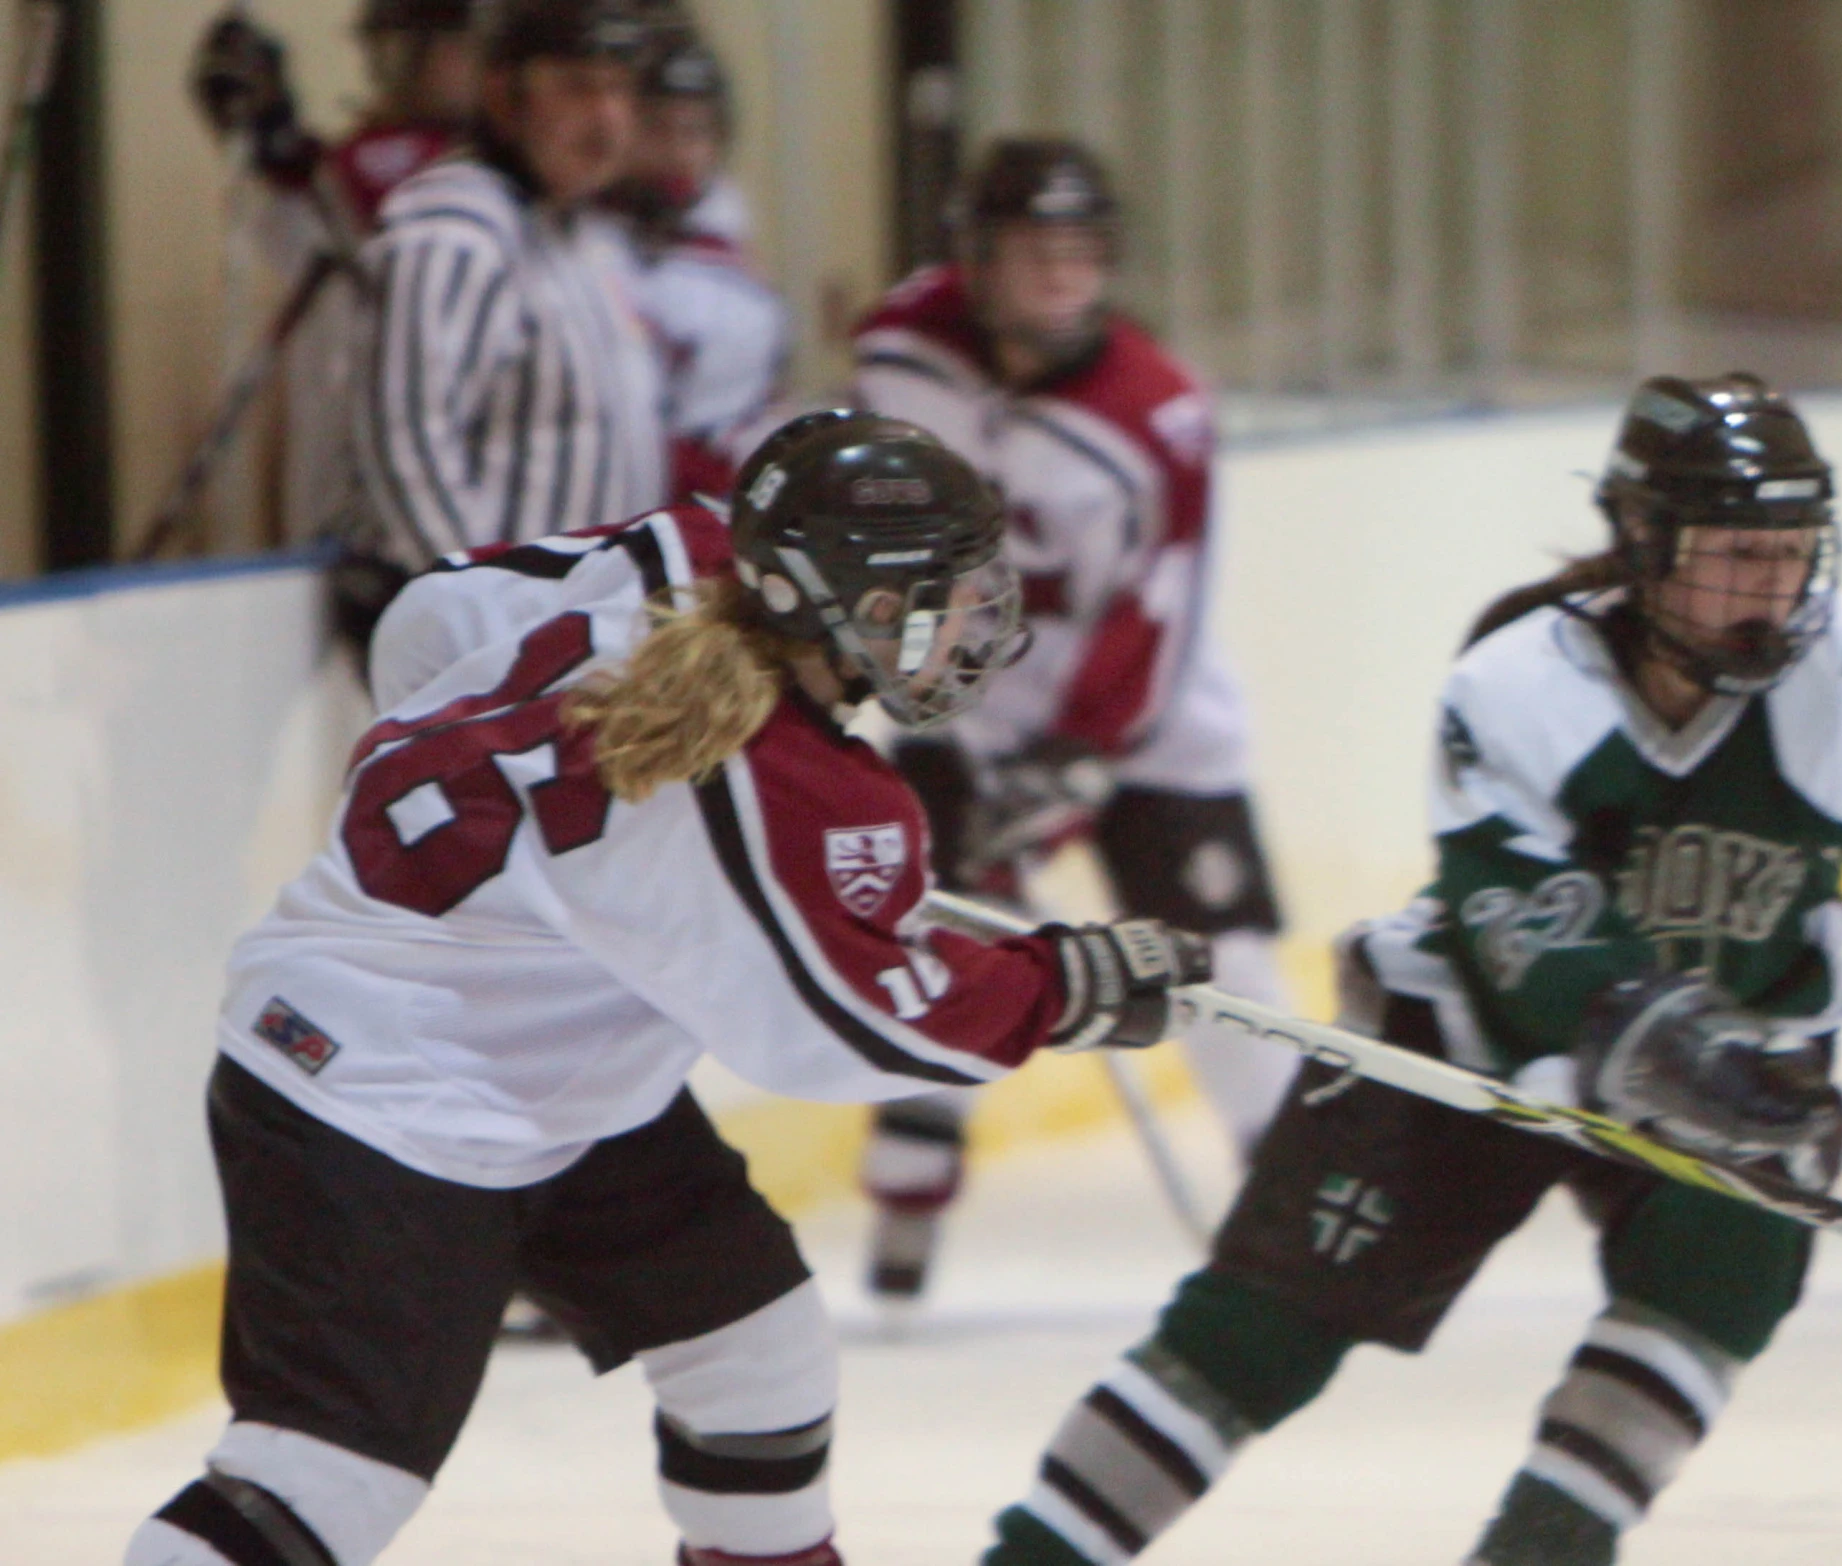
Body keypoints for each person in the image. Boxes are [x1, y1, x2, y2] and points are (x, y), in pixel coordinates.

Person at [977, 373, 1842, 1566]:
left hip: (1746, 1056)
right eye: (1730, 557)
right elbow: (1512, 913)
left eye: (1786, 557)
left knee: (1714, 1285)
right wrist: (1649, 1037)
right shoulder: (1515, 679)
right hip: (1475, 1048)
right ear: (1641, 547)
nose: (1766, 594)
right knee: (1252, 1333)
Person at [122, 411, 1213, 1566]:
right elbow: (845, 1029)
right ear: (851, 606)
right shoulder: (787, 789)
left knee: (756, 1350)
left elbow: (431, 615)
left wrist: (531, 855)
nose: (974, 627)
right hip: (383, 1099)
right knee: (327, 1473)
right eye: (940, 598)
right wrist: (1068, 987)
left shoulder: (675, 557)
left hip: (532, 1080)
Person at [844, 138, 1297, 1303]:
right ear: (973, 258)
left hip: (1149, 733)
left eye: (1079, 253)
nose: (1058, 279)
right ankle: (904, 1218)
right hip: (967, 721)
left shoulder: (1158, 414)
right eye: (1031, 252)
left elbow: (1160, 610)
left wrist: (1079, 758)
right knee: (930, 941)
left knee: (1222, 960)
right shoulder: (901, 348)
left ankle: (1293, 1221)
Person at [352, 0, 665, 580]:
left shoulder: (589, 237)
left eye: (621, 90)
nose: (607, 119)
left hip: (571, 623)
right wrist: (477, 597)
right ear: (503, 97)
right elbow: (407, 441)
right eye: (578, 89)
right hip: (488, 635)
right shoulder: (453, 228)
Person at [189, 1, 482, 616]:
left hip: (470, 509)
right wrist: (273, 148)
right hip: (358, 506)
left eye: (429, 44)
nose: (399, 66)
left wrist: (294, 164)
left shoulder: (478, 171)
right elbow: (317, 255)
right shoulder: (373, 158)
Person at [607, 22, 795, 506]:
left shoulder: (731, 255)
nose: (676, 153)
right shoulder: (581, 237)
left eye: (693, 132)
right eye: (657, 129)